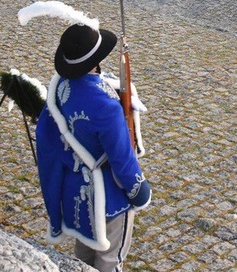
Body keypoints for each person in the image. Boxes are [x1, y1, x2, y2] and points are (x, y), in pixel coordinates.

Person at [34, 17, 151, 272]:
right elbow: (121, 158)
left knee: (83, 255)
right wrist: (139, 191)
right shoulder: (106, 107)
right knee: (110, 261)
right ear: (96, 60)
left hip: (76, 190)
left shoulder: (61, 86)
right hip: (108, 196)